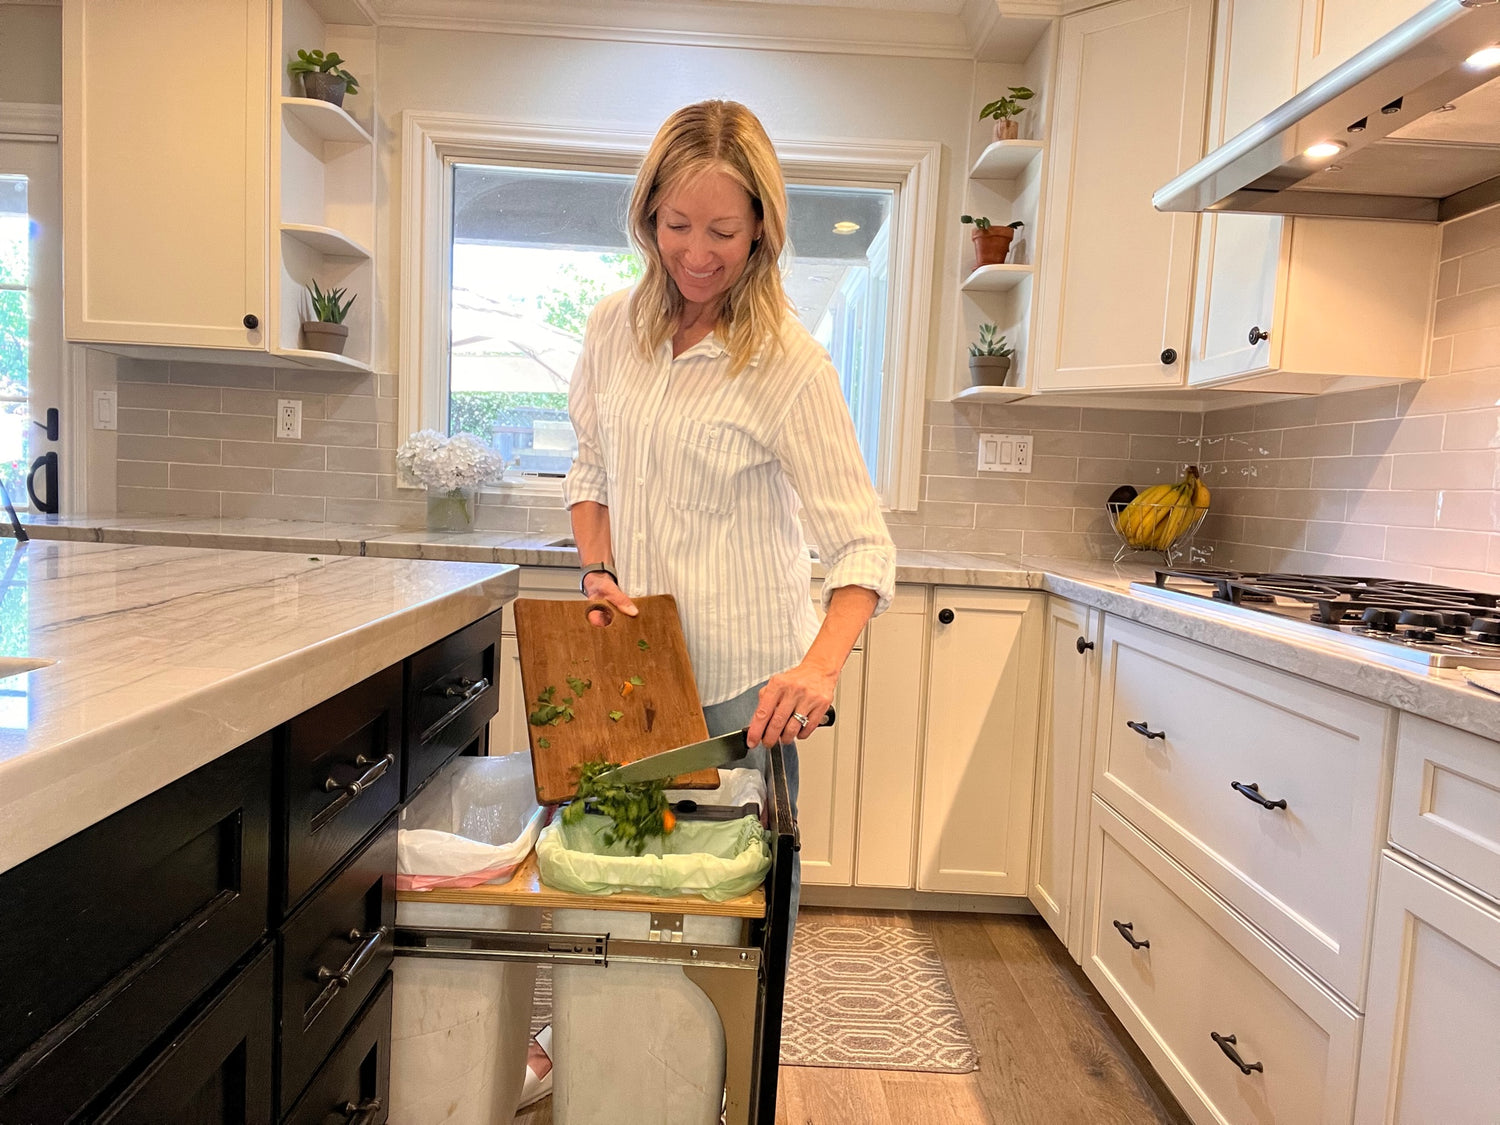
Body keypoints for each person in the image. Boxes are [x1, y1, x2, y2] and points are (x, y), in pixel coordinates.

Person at [562, 98, 896, 929]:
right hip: (641, 677)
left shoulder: (789, 363)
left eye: (722, 231)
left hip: (747, 698)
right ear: (648, 217)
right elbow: (591, 466)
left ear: (760, 232)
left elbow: (862, 548)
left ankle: (721, 1065)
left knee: (732, 924)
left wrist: (818, 668)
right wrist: (597, 571)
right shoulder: (612, 329)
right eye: (677, 224)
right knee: (631, 896)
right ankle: (613, 1053)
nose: (697, 253)